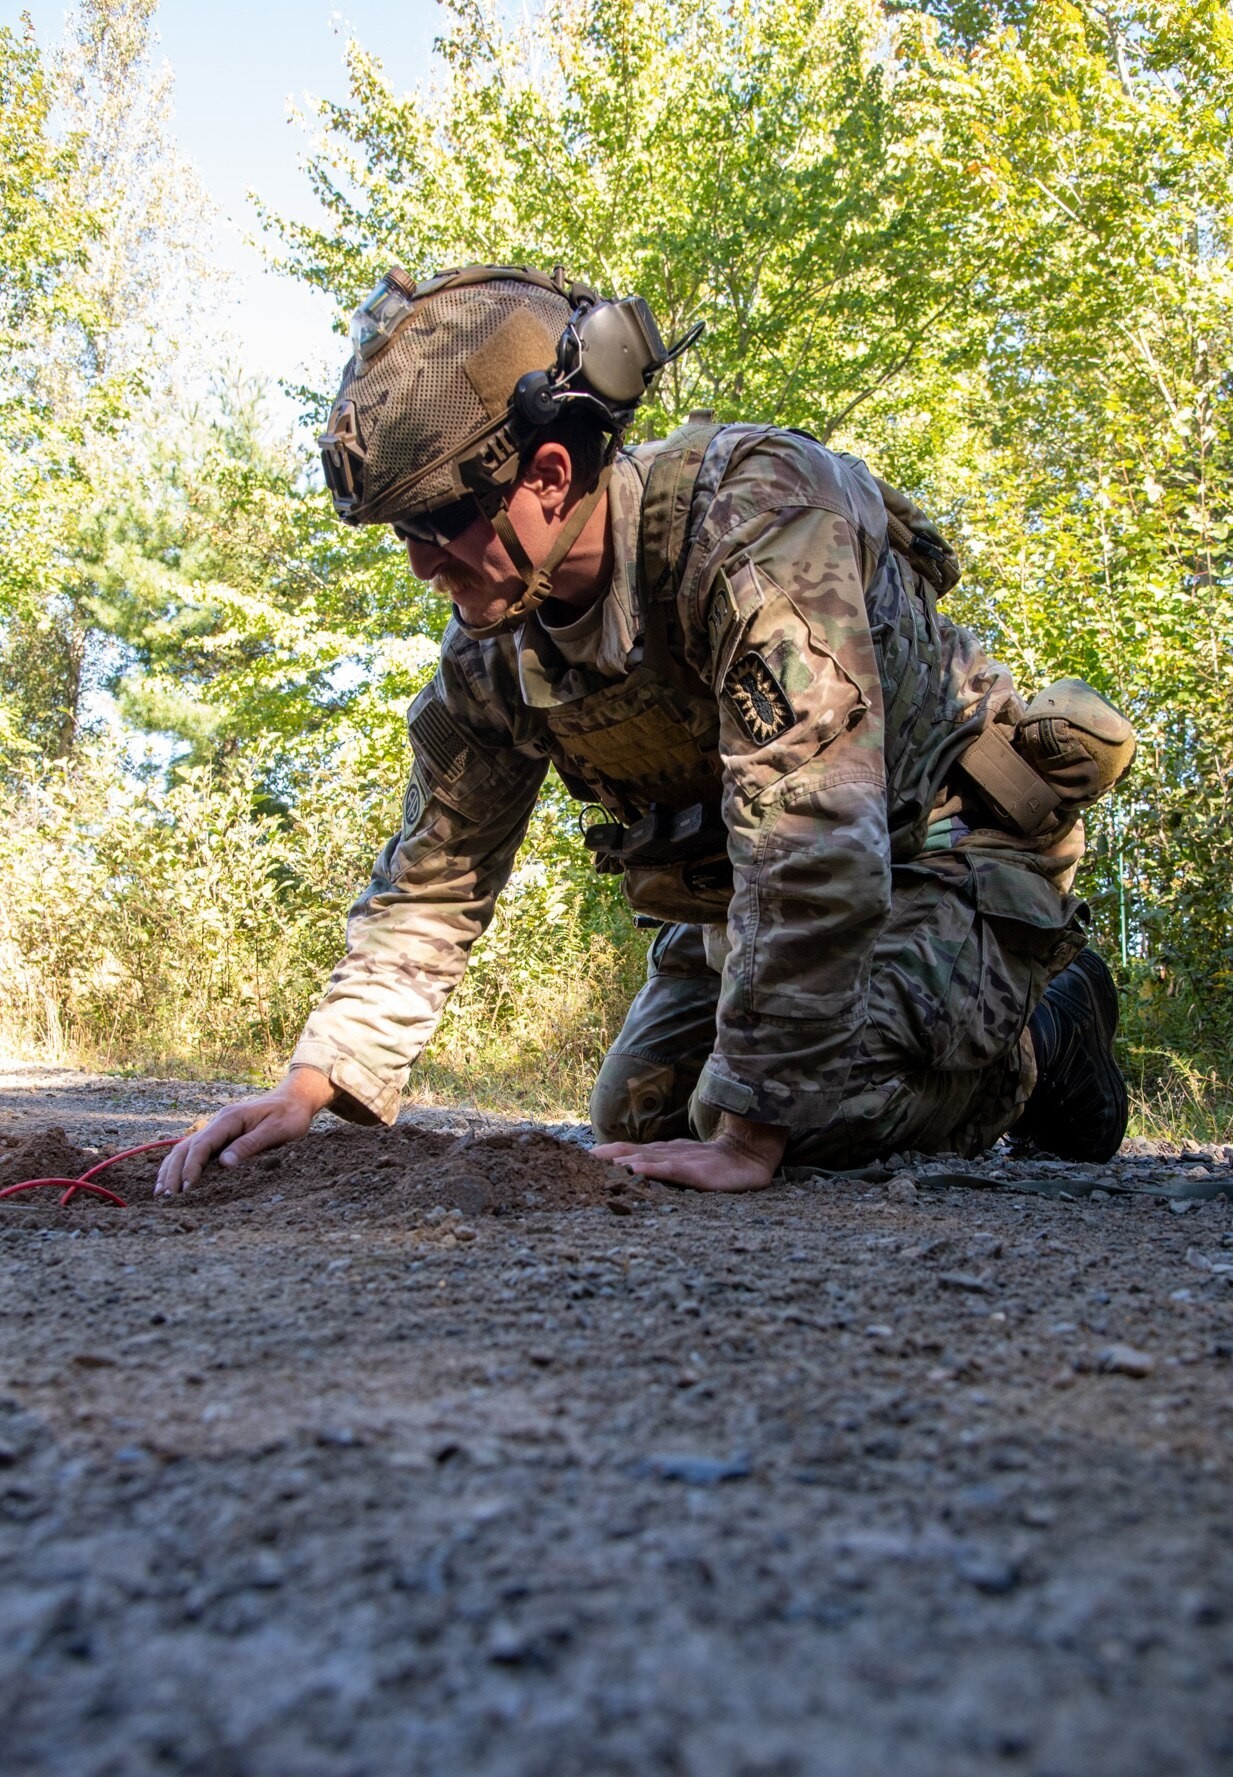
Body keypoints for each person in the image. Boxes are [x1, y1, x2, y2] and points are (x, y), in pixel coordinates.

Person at [156, 264, 1133, 1200]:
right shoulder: (494, 657)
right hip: (772, 892)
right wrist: (312, 1082)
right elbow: (432, 881)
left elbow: (811, 829)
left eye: (432, 526)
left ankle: (1046, 1033)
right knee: (638, 1119)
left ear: (544, 475)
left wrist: (753, 1135)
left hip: (943, 844)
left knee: (805, 1118)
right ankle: (863, 1062)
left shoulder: (755, 520)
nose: (418, 566)